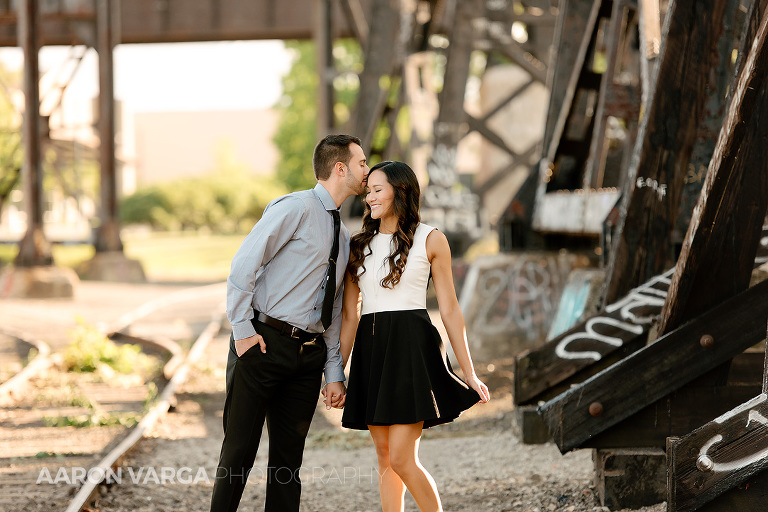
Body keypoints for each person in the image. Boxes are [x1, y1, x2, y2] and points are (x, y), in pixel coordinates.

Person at [210, 134, 369, 512]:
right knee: (237, 455)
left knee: (288, 466)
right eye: (362, 163)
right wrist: (244, 331)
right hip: (262, 345)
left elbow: (330, 312)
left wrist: (333, 370)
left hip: (306, 361)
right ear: (340, 168)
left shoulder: (343, 237)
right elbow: (243, 267)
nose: (367, 171)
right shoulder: (294, 207)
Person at [336, 160, 490, 512]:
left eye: (378, 190)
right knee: (385, 457)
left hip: (411, 349)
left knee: (403, 459)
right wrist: (336, 373)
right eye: (368, 190)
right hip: (372, 350)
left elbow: (450, 310)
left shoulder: (431, 239)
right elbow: (350, 315)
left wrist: (468, 371)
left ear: (400, 191)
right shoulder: (359, 245)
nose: (369, 197)